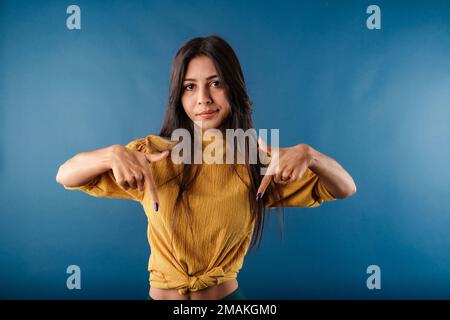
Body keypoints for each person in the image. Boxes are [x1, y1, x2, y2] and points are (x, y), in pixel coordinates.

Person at [56, 35, 357, 300]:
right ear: (179, 96)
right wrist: (111, 155)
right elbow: (66, 175)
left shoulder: (256, 160)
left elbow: (345, 187)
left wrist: (310, 154)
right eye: (190, 87)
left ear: (233, 88)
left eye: (216, 83)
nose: (203, 99)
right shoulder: (152, 154)